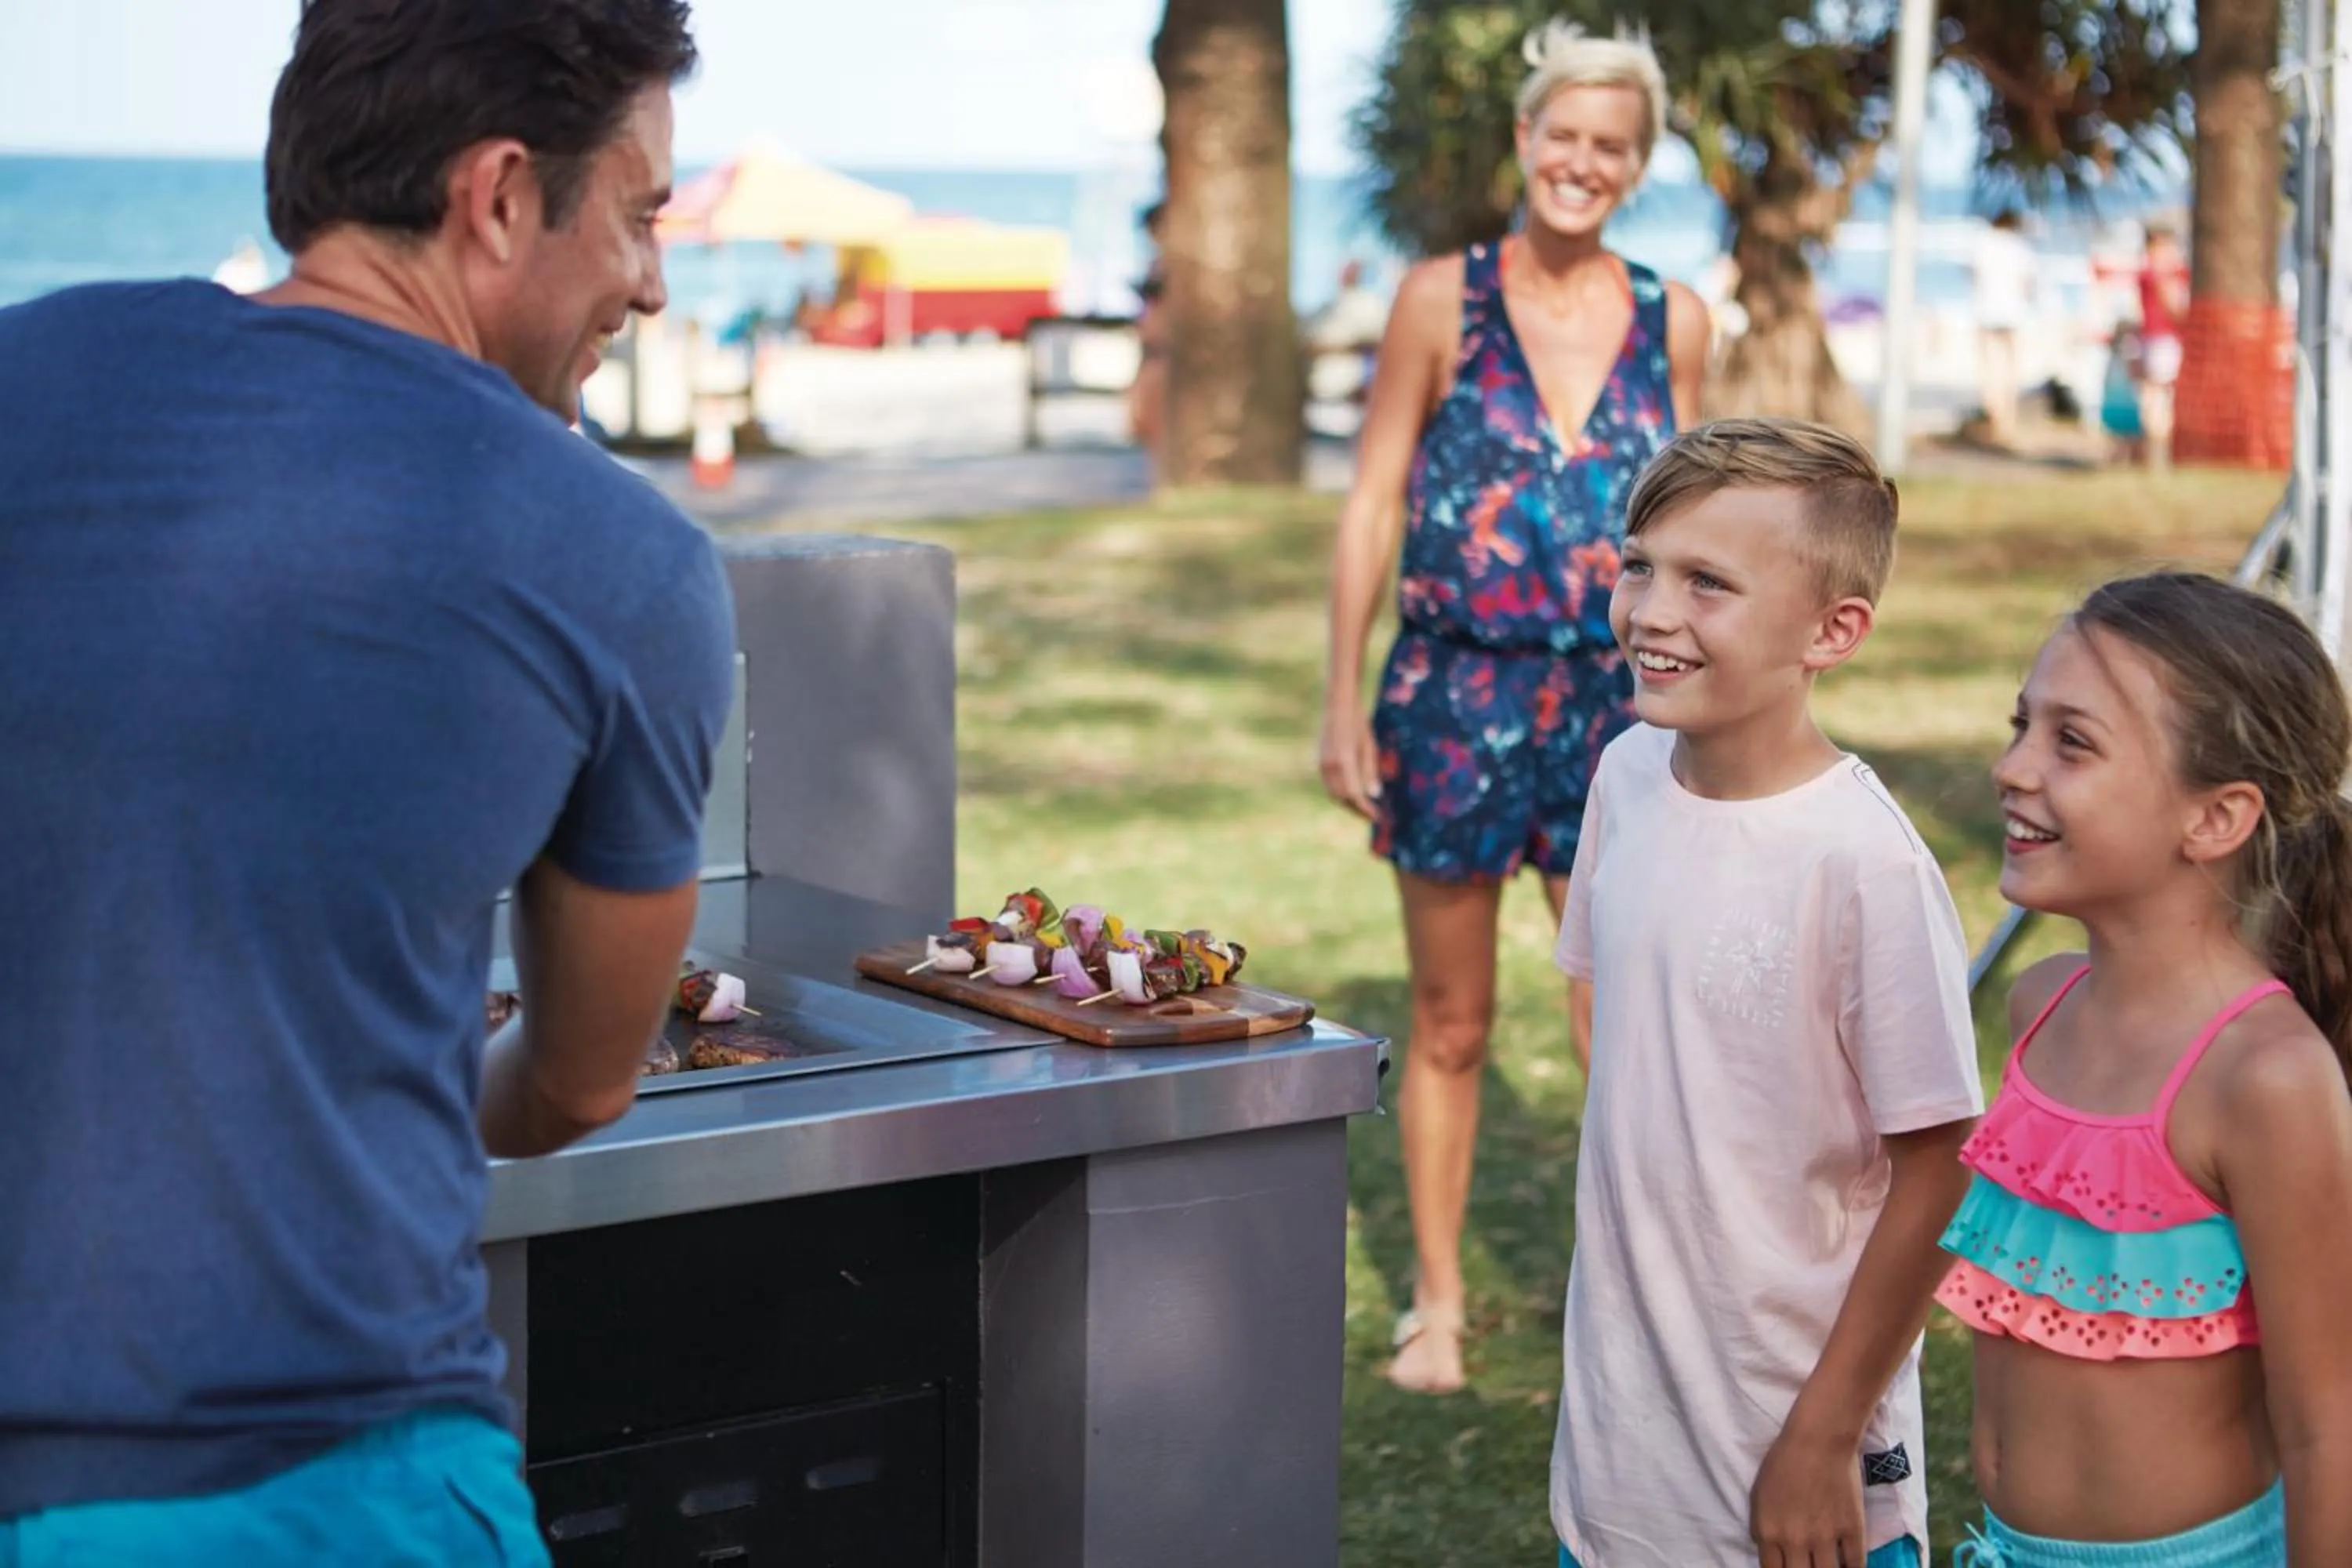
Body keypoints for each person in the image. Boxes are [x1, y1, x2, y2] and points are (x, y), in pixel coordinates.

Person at [0, 2, 731, 1563]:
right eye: (641, 212)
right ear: (499, 194)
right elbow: (577, 1079)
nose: (653, 282)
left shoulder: (32, 363)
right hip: (326, 1475)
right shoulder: (624, 561)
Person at [1319, 19, 1708, 1396]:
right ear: (1526, 139)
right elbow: (1372, 497)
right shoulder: (1441, 298)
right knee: (1453, 1020)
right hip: (1449, 690)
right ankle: (1435, 1302)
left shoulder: (1678, 320)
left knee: (1624, 1015)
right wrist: (1337, 697)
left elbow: (1706, 526)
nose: (1581, 164)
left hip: (1623, 710)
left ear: (1637, 164)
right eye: (1564, 136)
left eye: (1613, 147)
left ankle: (1643, 1298)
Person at [1551, 419, 1985, 1566]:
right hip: (1617, 1462)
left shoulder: (1866, 867)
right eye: (1639, 563)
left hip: (1797, 1468)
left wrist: (1824, 1432)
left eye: (1709, 583)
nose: (1649, 611)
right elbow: (1608, 1011)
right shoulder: (1625, 776)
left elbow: (1943, 1169)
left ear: (1831, 631)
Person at [1940, 572, 2352, 1566]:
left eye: (2071, 741)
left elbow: (2328, 1419)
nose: (2012, 766)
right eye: (2021, 724)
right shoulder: (2040, 1005)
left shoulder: (2266, 1077)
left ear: (2216, 817)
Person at [1970, 209, 2036, 444]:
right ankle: (2007, 417)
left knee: (1989, 366)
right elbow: (2029, 282)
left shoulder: (1983, 243)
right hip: (2013, 313)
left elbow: (1974, 275)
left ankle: (1993, 411)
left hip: (1986, 310)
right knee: (2011, 368)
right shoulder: (2019, 247)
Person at [2136, 223, 2190, 470]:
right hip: (2161, 339)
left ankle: (2158, 453)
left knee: (2156, 397)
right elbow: (2175, 305)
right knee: (2158, 397)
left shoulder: (2156, 270)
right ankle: (2159, 453)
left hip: (2157, 340)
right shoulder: (2159, 272)